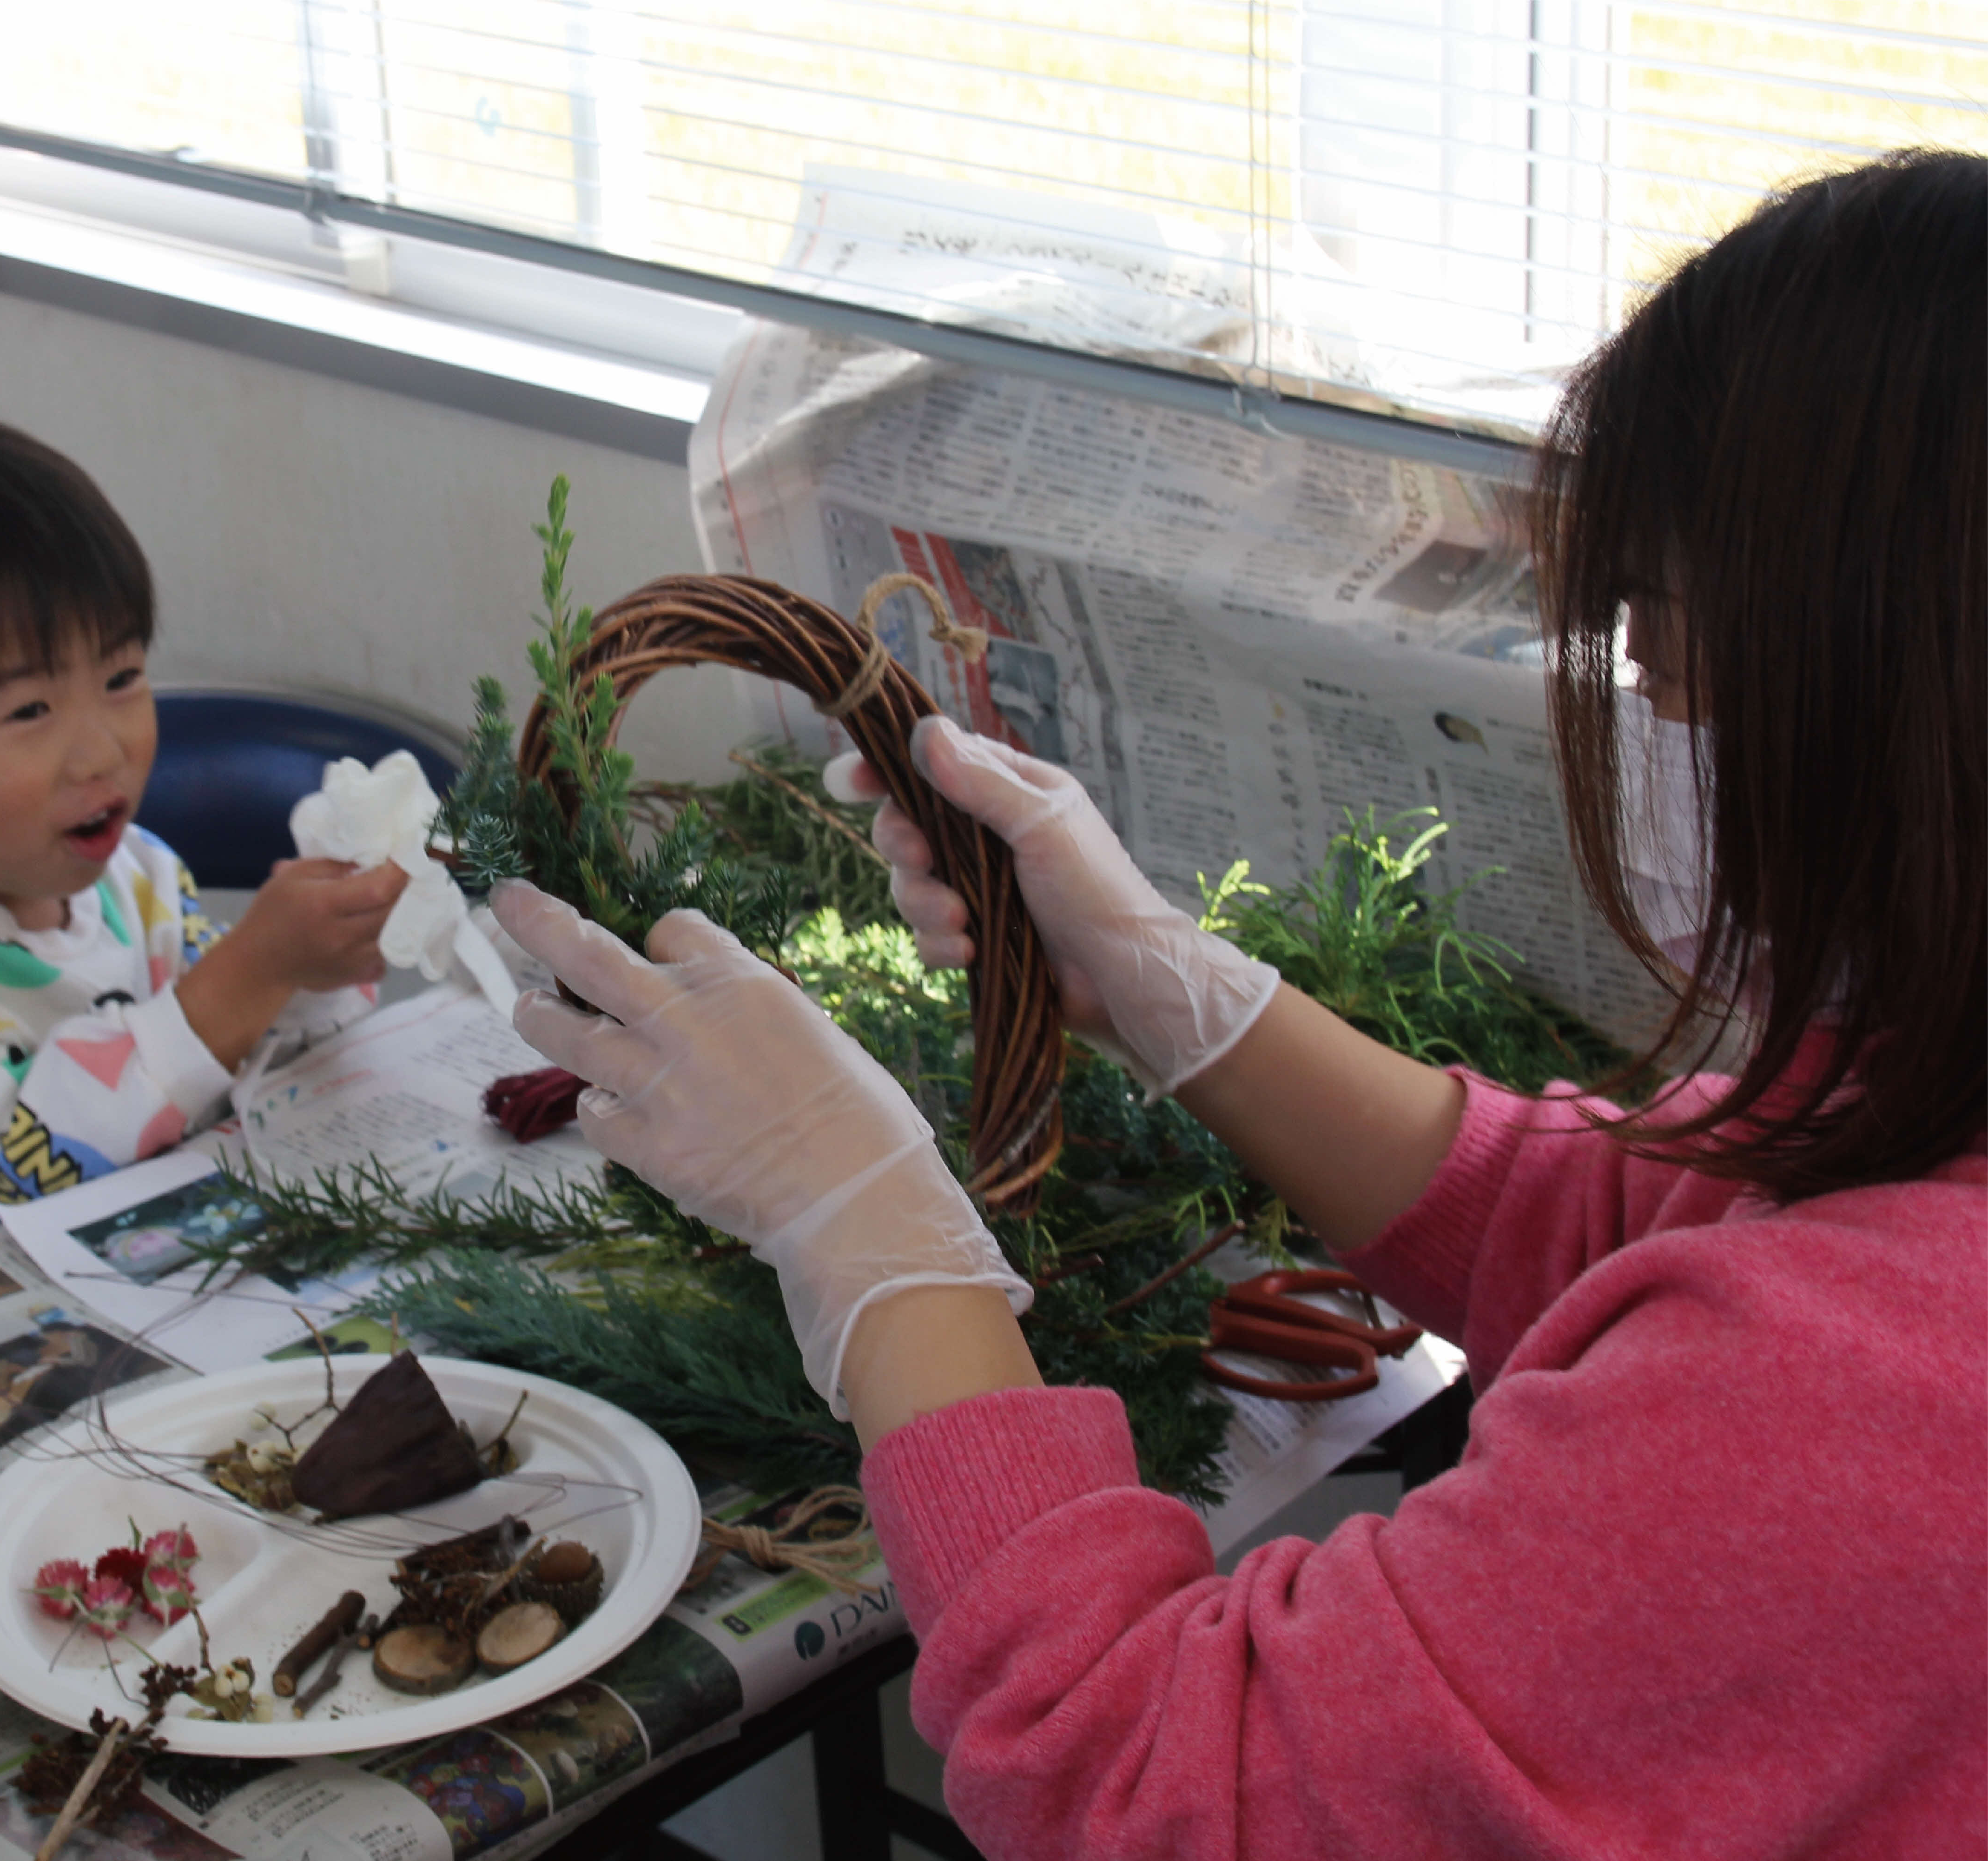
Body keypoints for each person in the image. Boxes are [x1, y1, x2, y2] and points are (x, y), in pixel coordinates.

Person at [495, 150, 1985, 1855]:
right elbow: (1647, 1223)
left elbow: (1154, 1779)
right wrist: (1169, 988)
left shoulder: (1870, 1412)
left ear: (1883, 686)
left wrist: (872, 1235)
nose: (1636, 709)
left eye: (1655, 652)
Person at [0, 414, 406, 1307]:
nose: (103, 751)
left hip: (141, 1290)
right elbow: (2, 1152)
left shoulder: (139, 878)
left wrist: (319, 966)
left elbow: (239, 1067)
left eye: (123, 679)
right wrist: (253, 971)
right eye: (28, 712)